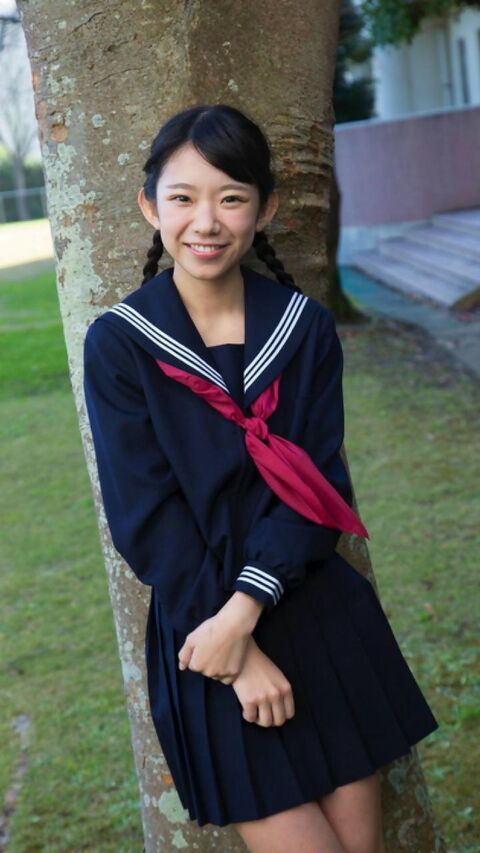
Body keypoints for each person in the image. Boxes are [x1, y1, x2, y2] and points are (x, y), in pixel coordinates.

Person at [83, 103, 439, 852]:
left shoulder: (302, 328)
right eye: (183, 198)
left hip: (313, 613)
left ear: (266, 208)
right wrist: (235, 650)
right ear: (150, 206)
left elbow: (315, 488)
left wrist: (246, 612)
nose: (206, 221)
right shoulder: (120, 344)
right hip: (205, 636)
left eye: (231, 197)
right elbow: (147, 519)